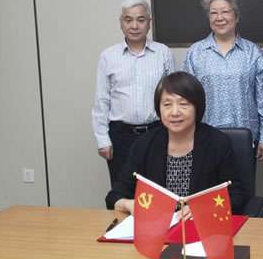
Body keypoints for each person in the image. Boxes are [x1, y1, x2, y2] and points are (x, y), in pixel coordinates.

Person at [105, 72, 248, 217]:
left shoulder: (217, 142)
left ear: (197, 107)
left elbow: (236, 196)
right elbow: (115, 196)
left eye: (183, 104)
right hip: (158, 226)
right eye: (167, 104)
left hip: (201, 225)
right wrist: (128, 204)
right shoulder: (145, 143)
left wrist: (204, 208)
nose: (174, 112)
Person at [182, 0, 263, 163]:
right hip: (205, 137)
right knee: (208, 182)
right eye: (213, 13)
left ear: (236, 16)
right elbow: (187, 99)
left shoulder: (254, 53)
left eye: (225, 11)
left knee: (242, 181)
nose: (219, 18)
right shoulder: (195, 53)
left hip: (245, 138)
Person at [92, 0, 174, 186]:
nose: (134, 26)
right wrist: (103, 140)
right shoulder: (108, 56)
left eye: (141, 20)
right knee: (123, 189)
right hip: (121, 136)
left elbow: (172, 97)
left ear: (149, 23)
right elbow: (101, 101)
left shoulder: (163, 53)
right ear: (121, 23)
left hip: (157, 133)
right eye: (128, 20)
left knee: (159, 190)